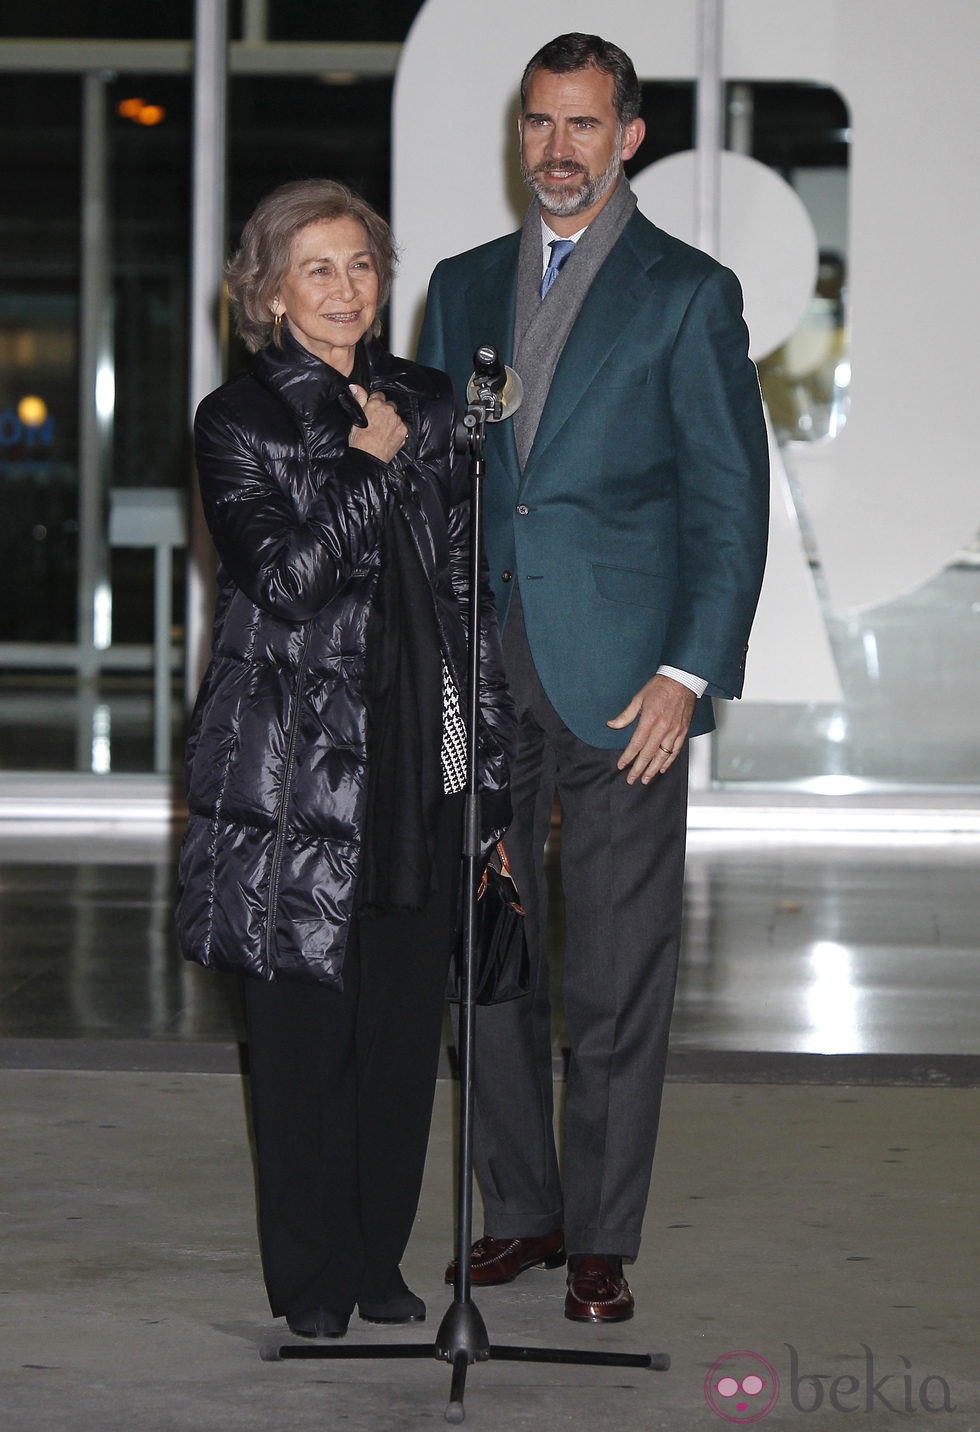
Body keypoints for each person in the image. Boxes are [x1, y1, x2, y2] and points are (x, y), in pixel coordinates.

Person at [417, 34, 769, 1323]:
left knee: (617, 960)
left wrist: (687, 671)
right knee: (486, 952)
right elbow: (446, 485)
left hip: (627, 682)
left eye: (580, 126)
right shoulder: (458, 290)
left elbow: (730, 502)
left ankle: (603, 1232)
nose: (555, 151)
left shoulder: (687, 293)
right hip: (482, 670)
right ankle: (522, 1211)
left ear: (628, 137)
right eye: (536, 125)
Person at [175, 179, 515, 1340]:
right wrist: (370, 471)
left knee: (398, 1035)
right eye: (315, 268)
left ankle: (379, 1263)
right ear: (270, 289)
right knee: (301, 1042)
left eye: (361, 263)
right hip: (294, 776)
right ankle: (311, 1281)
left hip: (419, 758)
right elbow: (282, 578)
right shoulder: (239, 420)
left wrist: (492, 770)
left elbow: (467, 590)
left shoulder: (425, 402)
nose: (345, 287)